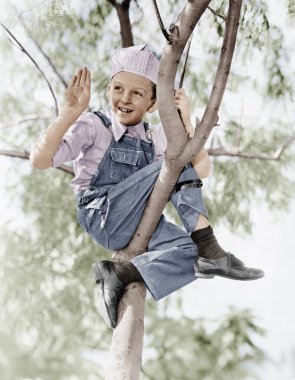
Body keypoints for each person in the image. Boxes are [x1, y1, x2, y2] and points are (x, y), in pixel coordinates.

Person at [30, 44, 264, 329]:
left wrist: (187, 122)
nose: (124, 99)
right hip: (102, 213)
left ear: (153, 104)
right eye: (118, 88)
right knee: (173, 163)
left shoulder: (155, 137)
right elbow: (41, 160)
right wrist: (70, 111)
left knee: (190, 254)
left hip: (139, 222)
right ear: (109, 89)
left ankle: (122, 273)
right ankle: (211, 247)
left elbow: (201, 170)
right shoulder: (95, 125)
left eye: (137, 93)